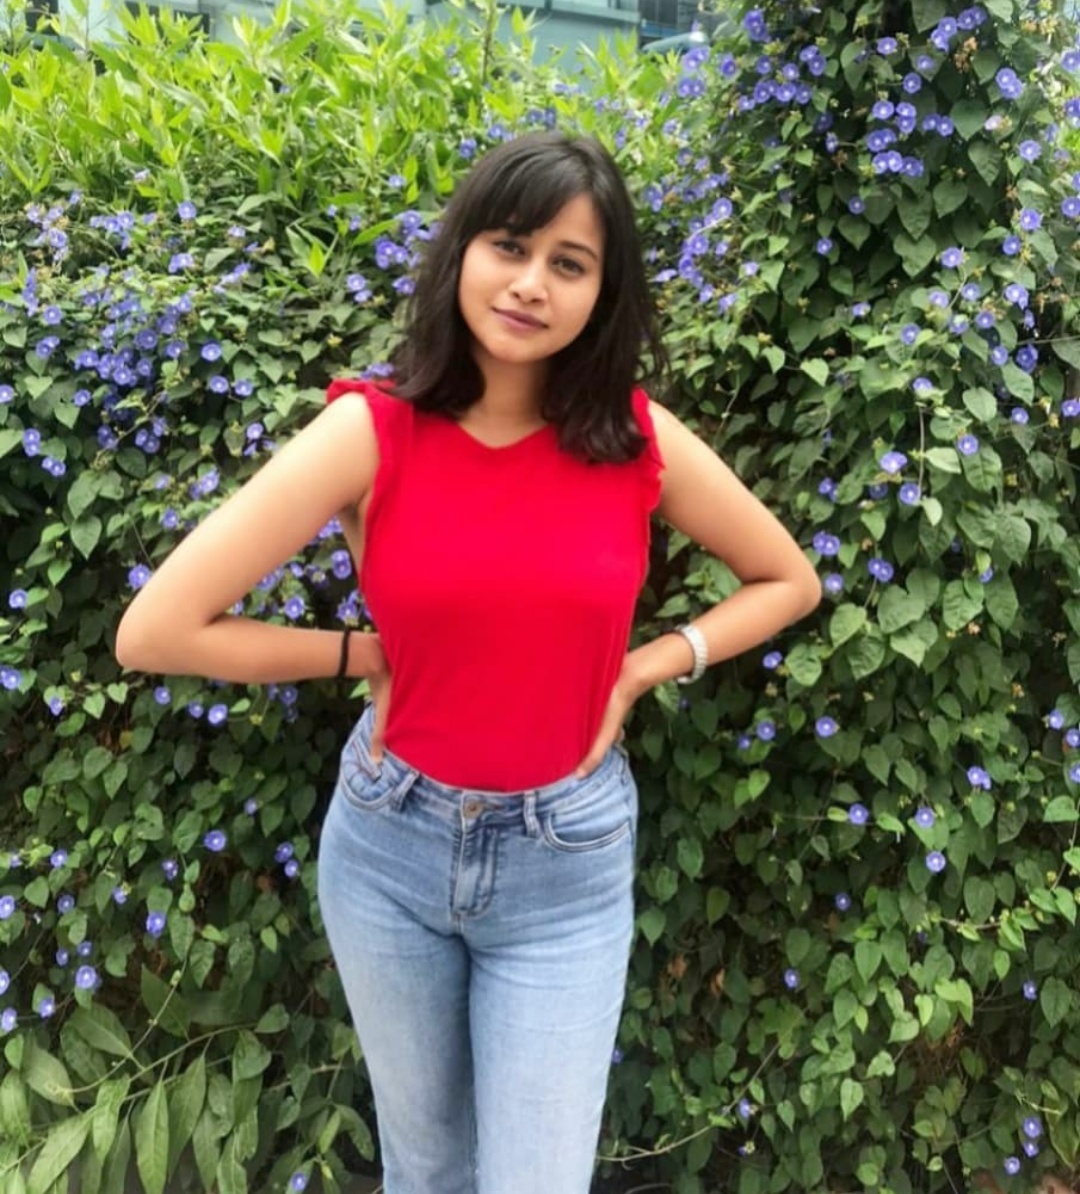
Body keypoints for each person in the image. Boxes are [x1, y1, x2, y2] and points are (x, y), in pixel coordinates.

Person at [116, 132, 821, 1194]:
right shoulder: (371, 431)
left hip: (565, 862)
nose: (532, 283)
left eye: (569, 264)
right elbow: (156, 630)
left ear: (603, 294)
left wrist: (646, 667)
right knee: (428, 1168)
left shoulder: (637, 441)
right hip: (389, 848)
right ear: (462, 254)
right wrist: (363, 653)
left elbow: (788, 580)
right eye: (510, 245)